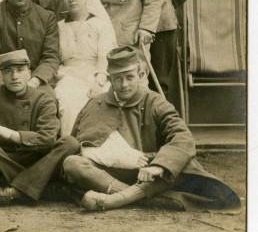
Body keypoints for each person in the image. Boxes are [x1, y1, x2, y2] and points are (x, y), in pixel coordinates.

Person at [62, 46, 240, 213]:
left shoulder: (155, 101)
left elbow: (182, 135)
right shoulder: (96, 103)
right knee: (72, 163)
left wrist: (158, 166)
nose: (124, 84)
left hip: (149, 173)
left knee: (179, 161)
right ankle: (134, 197)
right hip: (109, 174)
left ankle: (115, 199)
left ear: (139, 75)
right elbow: (79, 142)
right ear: (110, 79)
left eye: (129, 77)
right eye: (118, 78)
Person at [0, 50, 80, 209]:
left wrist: (0, 130)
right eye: (8, 71)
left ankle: (10, 192)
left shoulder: (43, 100)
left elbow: (46, 140)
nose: (14, 77)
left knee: (70, 143)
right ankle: (38, 188)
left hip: (37, 162)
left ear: (29, 73)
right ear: (2, 75)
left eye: (20, 70)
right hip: (0, 161)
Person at [54, 0, 117, 136]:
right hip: (67, 76)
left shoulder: (100, 24)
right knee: (67, 103)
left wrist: (99, 81)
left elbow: (105, 57)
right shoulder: (58, 27)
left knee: (99, 102)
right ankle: (70, 147)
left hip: (95, 75)